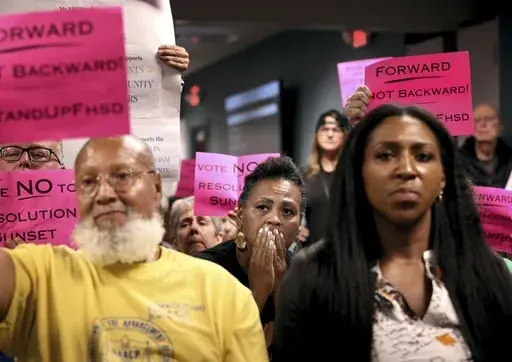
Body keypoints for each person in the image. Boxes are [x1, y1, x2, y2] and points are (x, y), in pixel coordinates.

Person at [273, 104, 512, 362]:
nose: (406, 169)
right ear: (360, 172)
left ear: (443, 176)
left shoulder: (487, 273)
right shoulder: (312, 276)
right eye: (386, 155)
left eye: (423, 156)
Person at [0, 135, 267, 361]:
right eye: (88, 182)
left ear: (157, 187)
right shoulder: (41, 273)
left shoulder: (223, 293)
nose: (104, 194)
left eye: (122, 176)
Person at [193, 156, 306, 356]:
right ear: (239, 216)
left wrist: (281, 288)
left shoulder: (308, 275)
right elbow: (211, 353)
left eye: (287, 211)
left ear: (299, 227)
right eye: (262, 207)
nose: (274, 219)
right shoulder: (204, 270)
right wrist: (258, 292)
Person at [299, 110, 351, 247]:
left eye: (336, 130)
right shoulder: (303, 175)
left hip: (349, 253)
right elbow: (285, 209)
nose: (330, 134)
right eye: (325, 129)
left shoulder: (354, 172)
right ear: (316, 135)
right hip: (313, 254)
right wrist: (293, 228)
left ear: (344, 135)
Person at [459, 102, 512, 187]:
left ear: (500, 126)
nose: (483, 124)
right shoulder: (457, 161)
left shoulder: (509, 160)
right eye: (477, 120)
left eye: (489, 119)